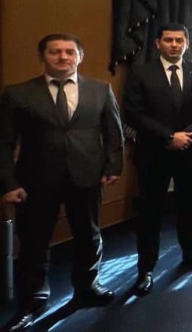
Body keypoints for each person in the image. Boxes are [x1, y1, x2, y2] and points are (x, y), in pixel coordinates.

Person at [0, 34, 123, 331]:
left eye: (70, 52)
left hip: (87, 175)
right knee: (34, 241)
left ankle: (87, 286)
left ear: (80, 57)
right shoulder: (17, 93)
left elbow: (113, 132)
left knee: (89, 235)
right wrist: (7, 183)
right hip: (35, 179)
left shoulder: (100, 89)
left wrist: (113, 166)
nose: (63, 57)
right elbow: (3, 142)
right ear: (43, 56)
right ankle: (33, 299)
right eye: (55, 52)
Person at [124, 23, 192, 296]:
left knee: (188, 205)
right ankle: (146, 268)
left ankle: (190, 253)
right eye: (168, 40)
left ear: (187, 43)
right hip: (153, 152)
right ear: (158, 43)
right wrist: (168, 136)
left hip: (189, 149)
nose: (174, 45)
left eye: (179, 40)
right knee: (150, 211)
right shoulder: (141, 72)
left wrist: (189, 133)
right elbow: (133, 113)